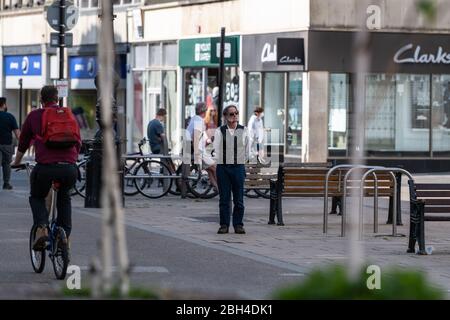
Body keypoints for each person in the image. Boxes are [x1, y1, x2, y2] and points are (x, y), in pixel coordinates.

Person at [11, 85, 81, 251]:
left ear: (41, 100)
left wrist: (16, 161)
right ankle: (65, 236)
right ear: (57, 99)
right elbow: (78, 142)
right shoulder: (69, 114)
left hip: (46, 168)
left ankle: (42, 227)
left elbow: (23, 142)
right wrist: (71, 160)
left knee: (36, 197)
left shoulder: (35, 116)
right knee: (65, 198)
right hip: (69, 168)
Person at [213, 105, 249, 234]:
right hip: (223, 168)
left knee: (239, 199)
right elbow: (216, 150)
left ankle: (238, 224)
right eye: (231, 114)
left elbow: (247, 150)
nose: (234, 117)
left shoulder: (244, 130)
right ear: (225, 116)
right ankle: (224, 225)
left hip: (238, 167)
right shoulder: (219, 131)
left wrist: (241, 161)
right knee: (224, 198)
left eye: (236, 114)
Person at [187, 102, 217, 190]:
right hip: (199, 151)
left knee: (210, 170)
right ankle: (223, 190)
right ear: (204, 111)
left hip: (197, 149)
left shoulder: (194, 119)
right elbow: (195, 137)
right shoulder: (199, 121)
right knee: (215, 169)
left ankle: (218, 188)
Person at [0, 97, 20, 190]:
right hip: (7, 145)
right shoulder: (10, 117)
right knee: (6, 164)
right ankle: (6, 183)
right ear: (3, 105)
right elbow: (17, 134)